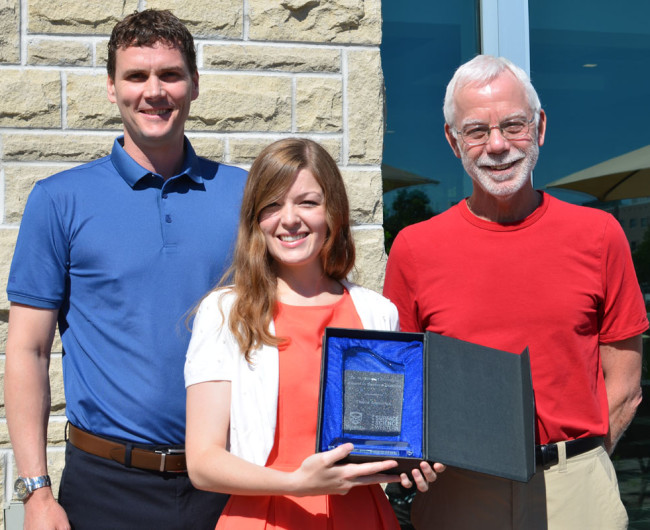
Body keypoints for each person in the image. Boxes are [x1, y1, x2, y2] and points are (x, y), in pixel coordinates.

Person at [4, 9, 247, 529]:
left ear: (195, 85)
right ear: (111, 87)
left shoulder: (248, 197)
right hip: (104, 487)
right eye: (136, 76)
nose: (153, 91)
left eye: (170, 75)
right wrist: (35, 492)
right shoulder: (59, 200)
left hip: (232, 480)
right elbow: (27, 349)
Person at [383, 54, 648, 530]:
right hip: (459, 492)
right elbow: (402, 386)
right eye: (477, 131)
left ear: (540, 126)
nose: (498, 145)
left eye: (513, 125)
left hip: (576, 488)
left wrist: (578, 465)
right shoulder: (415, 248)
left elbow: (625, 386)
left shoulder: (600, 235)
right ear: (453, 141)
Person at [184, 138, 445, 529]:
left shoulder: (376, 312)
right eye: (272, 205)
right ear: (255, 219)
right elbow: (203, 462)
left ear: (333, 212)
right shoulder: (225, 313)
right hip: (266, 515)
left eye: (307, 202)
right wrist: (296, 483)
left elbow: (390, 437)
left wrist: (412, 466)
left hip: (361, 514)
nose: (289, 219)